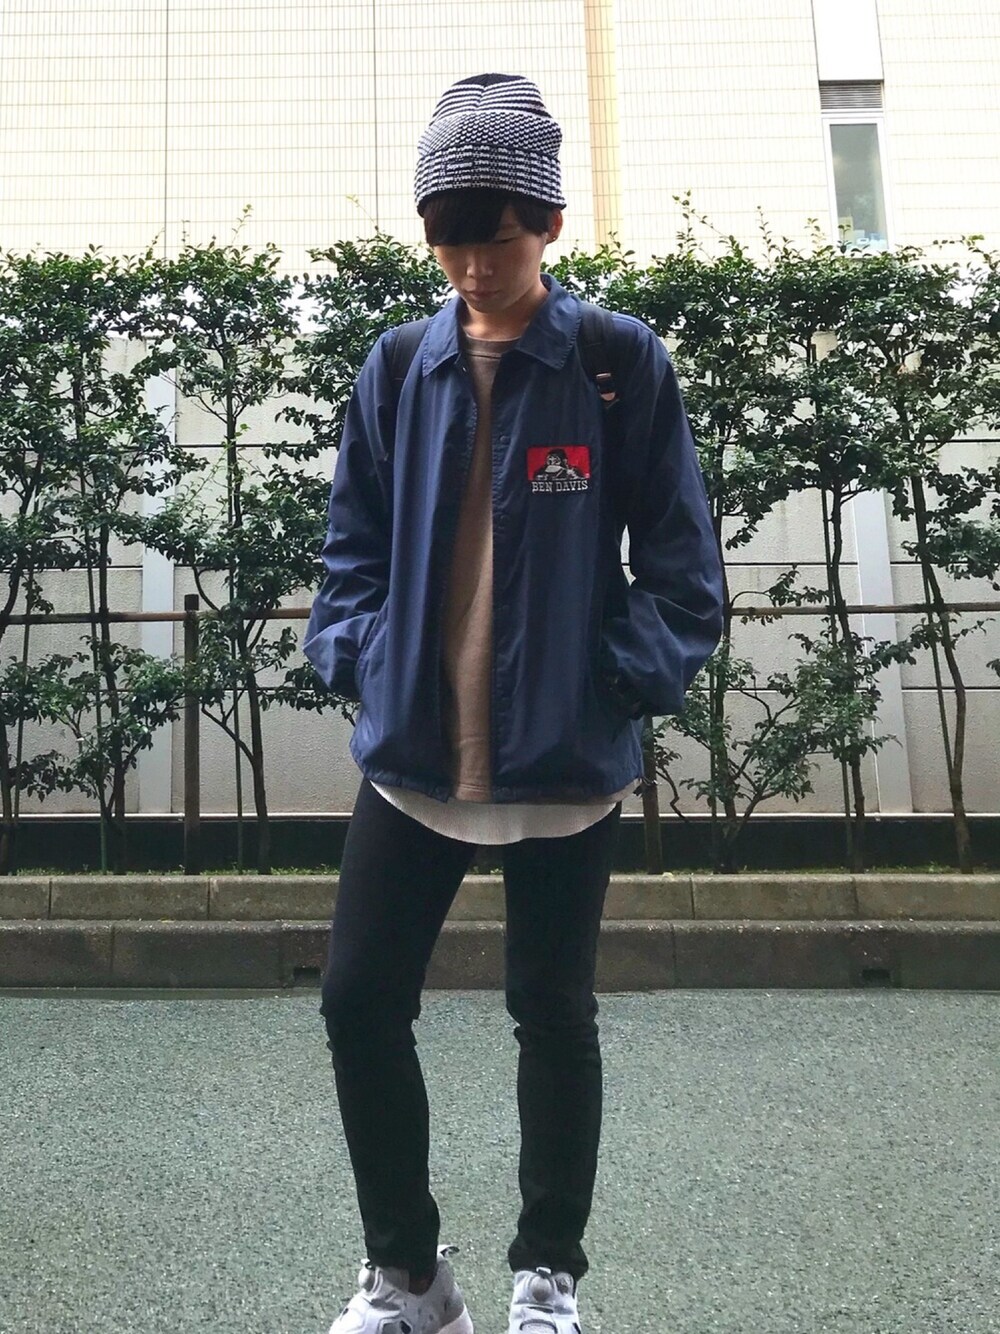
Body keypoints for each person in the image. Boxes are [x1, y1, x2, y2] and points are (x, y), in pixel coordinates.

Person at [304, 72, 724, 1334]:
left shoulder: (615, 362)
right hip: (414, 755)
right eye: (449, 236)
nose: (474, 263)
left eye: (496, 234)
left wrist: (616, 683)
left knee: (553, 1014)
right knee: (357, 1000)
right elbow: (350, 550)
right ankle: (409, 1278)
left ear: (546, 222)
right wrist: (361, 653)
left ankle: (548, 1276)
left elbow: (684, 568)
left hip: (564, 762)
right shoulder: (398, 366)